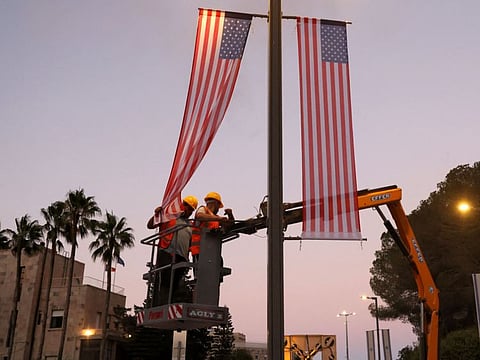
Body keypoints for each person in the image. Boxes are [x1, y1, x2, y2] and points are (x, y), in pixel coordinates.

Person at [147, 195, 198, 305]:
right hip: (167, 252)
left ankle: (170, 304)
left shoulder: (190, 224)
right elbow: (150, 225)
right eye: (187, 207)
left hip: (182, 256)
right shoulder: (169, 217)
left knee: (176, 283)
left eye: (191, 209)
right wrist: (156, 214)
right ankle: (162, 304)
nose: (189, 211)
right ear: (182, 205)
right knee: (165, 280)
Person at [190, 191, 234, 262]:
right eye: (218, 206)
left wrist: (230, 215)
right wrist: (219, 219)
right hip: (199, 251)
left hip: (212, 250)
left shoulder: (215, 217)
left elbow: (230, 225)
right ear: (216, 204)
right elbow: (200, 216)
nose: (218, 209)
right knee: (202, 271)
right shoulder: (203, 209)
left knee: (218, 265)